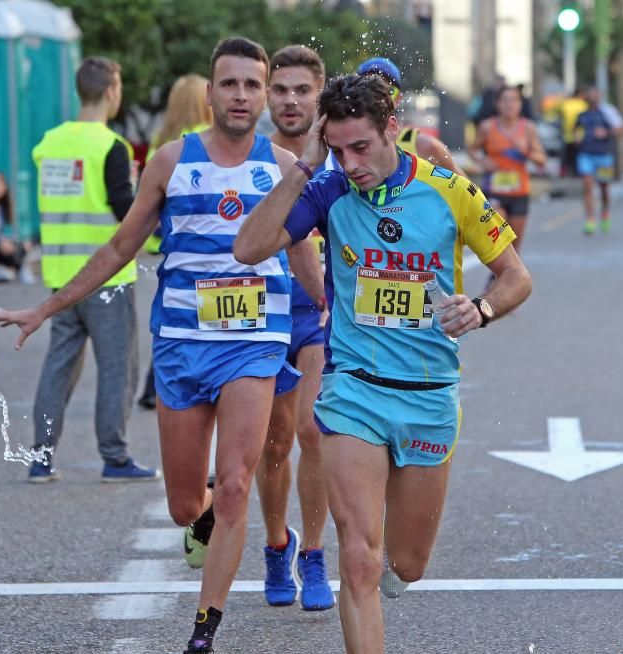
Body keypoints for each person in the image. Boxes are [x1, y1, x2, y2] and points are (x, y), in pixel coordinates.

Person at [0, 38, 324, 654]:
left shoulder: (280, 166)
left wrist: (335, 312)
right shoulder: (170, 161)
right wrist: (45, 307)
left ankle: (203, 632)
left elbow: (303, 255)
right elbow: (118, 249)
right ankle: (210, 516)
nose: (241, 95)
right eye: (230, 83)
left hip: (254, 341)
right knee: (186, 503)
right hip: (181, 345)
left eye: (253, 84)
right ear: (210, 92)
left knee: (238, 481)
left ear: (265, 94)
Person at [233, 73, 532, 654]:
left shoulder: (451, 191)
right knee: (360, 561)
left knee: (406, 564)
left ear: (392, 128)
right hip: (354, 393)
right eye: (338, 150)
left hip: (428, 394)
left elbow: (517, 278)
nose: (350, 163)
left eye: (361, 147)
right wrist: (305, 168)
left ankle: (394, 568)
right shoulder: (327, 190)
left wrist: (482, 307)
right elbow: (248, 247)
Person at [0, 57, 159, 484]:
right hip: (104, 279)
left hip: (61, 277)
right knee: (117, 368)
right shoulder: (112, 147)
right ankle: (115, 457)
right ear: (111, 91)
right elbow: (125, 211)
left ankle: (42, 457)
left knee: (58, 368)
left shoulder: (48, 144)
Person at [257, 43, 334, 612]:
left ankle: (313, 554)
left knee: (312, 431)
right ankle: (275, 544)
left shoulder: (342, 153)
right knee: (275, 444)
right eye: (279, 89)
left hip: (318, 313)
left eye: (302, 90)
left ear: (319, 93)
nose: (290, 100)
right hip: (258, 312)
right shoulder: (249, 156)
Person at [138, 73, 214, 410]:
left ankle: (154, 386)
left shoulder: (162, 143)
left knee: (176, 317)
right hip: (204, 243)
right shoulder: (207, 140)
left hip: (165, 244)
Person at [468, 84, 546, 257]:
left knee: (514, 249)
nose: (509, 105)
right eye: (505, 100)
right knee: (500, 239)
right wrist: (483, 160)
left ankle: (501, 277)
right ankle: (498, 275)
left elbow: (542, 160)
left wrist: (526, 151)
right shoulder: (487, 127)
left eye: (514, 100)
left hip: (520, 193)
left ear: (520, 104)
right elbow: (472, 149)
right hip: (494, 191)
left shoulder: (528, 128)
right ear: (498, 104)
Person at [356, 57, 463, 174]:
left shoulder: (425, 147)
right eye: (367, 90)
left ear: (398, 99)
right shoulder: (343, 146)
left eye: (389, 91)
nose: (378, 98)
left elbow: (468, 190)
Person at [574, 84, 623, 235]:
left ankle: (605, 212)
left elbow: (620, 129)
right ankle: (590, 220)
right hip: (586, 155)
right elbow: (576, 131)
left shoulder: (608, 112)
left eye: (596, 94)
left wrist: (606, 133)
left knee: (604, 187)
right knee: (587, 185)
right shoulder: (581, 115)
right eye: (590, 94)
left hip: (603, 156)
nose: (593, 97)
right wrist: (577, 138)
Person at [555, 88, 589, 174]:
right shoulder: (584, 104)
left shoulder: (566, 103)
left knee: (565, 155)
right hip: (580, 135)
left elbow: (558, 111)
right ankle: (576, 172)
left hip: (567, 133)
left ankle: (563, 171)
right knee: (577, 155)